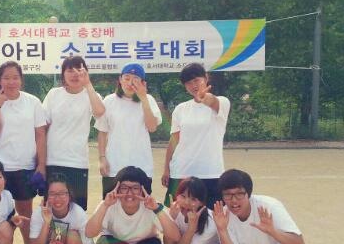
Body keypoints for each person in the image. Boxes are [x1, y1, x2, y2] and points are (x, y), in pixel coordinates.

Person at [0, 61, 48, 244]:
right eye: (6, 78)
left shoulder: (33, 102)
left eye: (15, 77)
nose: (11, 82)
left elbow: (40, 135)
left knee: (25, 213)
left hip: (25, 167)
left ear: (21, 79)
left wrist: (41, 165)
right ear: (0, 80)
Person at [162, 62, 230, 209]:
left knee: (211, 216)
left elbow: (211, 101)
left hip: (210, 172)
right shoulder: (181, 109)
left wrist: (204, 97)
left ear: (206, 78)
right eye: (188, 83)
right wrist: (166, 168)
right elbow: (174, 141)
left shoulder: (222, 103)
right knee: (176, 216)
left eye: (196, 80)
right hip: (181, 172)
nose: (193, 85)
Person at [43, 56, 105, 210]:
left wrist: (88, 84)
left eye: (79, 70)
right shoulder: (54, 94)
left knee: (77, 209)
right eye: (70, 70)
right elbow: (43, 127)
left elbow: (99, 112)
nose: (75, 74)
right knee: (53, 208)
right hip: (53, 160)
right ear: (63, 74)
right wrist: (40, 159)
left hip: (78, 162)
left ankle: (75, 230)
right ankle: (55, 229)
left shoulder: (91, 95)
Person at [95, 63, 162, 198]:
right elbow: (102, 132)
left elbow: (152, 127)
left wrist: (143, 99)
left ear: (143, 83)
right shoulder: (109, 100)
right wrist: (102, 159)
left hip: (141, 166)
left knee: (142, 206)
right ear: (120, 79)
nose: (130, 83)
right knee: (111, 206)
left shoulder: (149, 100)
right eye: (127, 78)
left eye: (136, 79)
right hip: (114, 166)